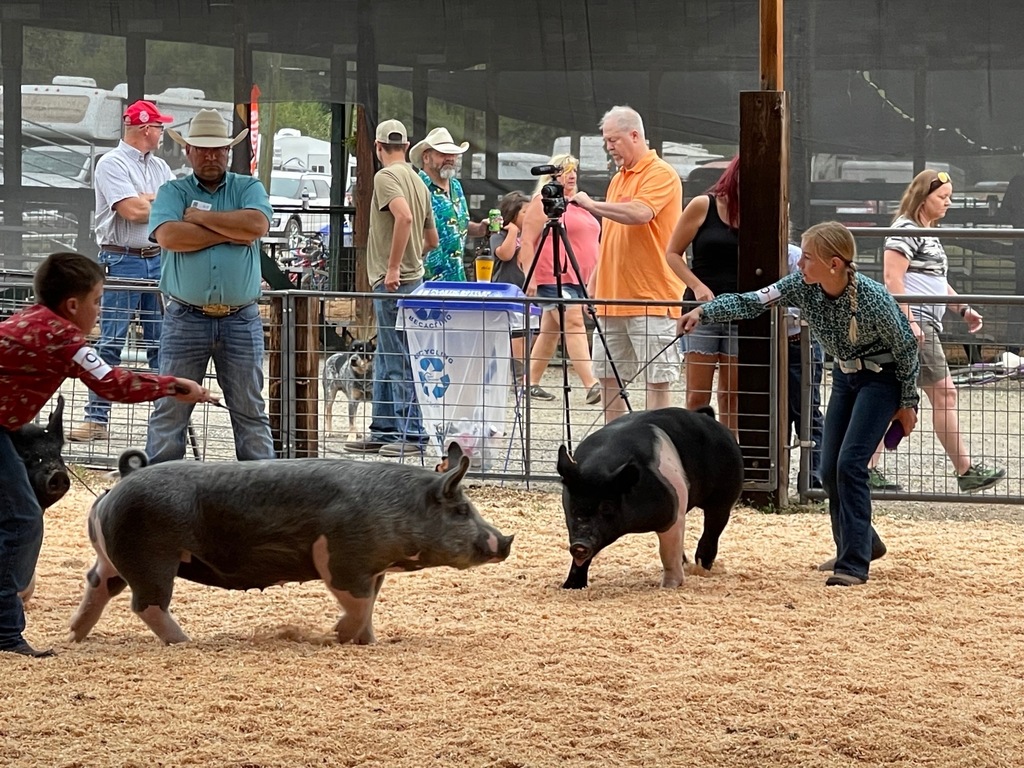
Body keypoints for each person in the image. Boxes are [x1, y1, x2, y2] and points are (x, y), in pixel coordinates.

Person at [678, 222, 920, 586]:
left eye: (807, 257)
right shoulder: (801, 287)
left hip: (880, 378)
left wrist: (907, 402)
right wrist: (704, 313)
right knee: (827, 468)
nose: (801, 264)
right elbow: (751, 300)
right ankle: (861, 542)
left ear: (834, 264)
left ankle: (853, 564)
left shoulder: (873, 298)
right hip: (845, 376)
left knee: (851, 463)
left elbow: (905, 348)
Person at [0, 252, 211, 657]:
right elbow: (112, 383)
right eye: (97, 301)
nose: (101, 310)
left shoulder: (31, 320)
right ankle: (5, 632)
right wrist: (171, 385)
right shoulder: (64, 338)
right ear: (73, 306)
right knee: (22, 518)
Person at [145, 109, 276, 464]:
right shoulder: (172, 190)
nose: (211, 155)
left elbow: (257, 225)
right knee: (170, 409)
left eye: (218, 148)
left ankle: (265, 498)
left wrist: (200, 218)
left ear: (228, 151)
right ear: (188, 151)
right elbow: (170, 236)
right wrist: (233, 231)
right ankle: (158, 496)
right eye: (202, 149)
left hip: (240, 318)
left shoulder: (249, 186)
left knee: (250, 410)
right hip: (186, 316)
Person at [868, 169, 1006, 493]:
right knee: (945, 393)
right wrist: (910, 321)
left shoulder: (927, 232)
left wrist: (962, 308)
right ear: (922, 197)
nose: (948, 203)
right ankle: (965, 470)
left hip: (923, 322)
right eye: (942, 197)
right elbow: (892, 278)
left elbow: (935, 280)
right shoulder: (905, 229)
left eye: (949, 197)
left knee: (893, 398)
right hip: (914, 323)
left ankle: (864, 467)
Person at [68, 100, 176, 443]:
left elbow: (176, 205)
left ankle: (164, 422)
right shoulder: (110, 163)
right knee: (112, 341)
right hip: (123, 259)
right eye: (158, 127)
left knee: (160, 343)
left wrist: (149, 200)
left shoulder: (157, 166)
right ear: (145, 128)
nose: (161, 133)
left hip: (153, 257)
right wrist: (155, 202)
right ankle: (96, 419)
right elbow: (132, 211)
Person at [571, 106, 684, 422]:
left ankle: (656, 450)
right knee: (609, 380)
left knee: (657, 381)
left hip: (651, 297)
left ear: (635, 135)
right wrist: (593, 283)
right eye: (606, 141)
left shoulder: (660, 173)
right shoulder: (618, 179)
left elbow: (640, 213)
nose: (609, 147)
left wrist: (592, 205)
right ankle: (614, 451)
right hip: (611, 299)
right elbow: (610, 238)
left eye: (613, 140)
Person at [343, 119, 438, 457]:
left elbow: (404, 218)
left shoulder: (385, 177)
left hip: (392, 280)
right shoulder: (419, 181)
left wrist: (395, 265)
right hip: (413, 279)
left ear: (378, 147)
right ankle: (384, 428)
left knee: (397, 355)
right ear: (407, 145)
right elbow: (432, 239)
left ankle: (411, 433)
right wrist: (412, 259)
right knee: (387, 353)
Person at [665, 155, 740, 437]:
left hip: (740, 309)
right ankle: (696, 452)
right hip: (702, 307)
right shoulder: (703, 204)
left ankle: (731, 455)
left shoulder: (759, 210)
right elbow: (673, 253)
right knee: (697, 395)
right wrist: (696, 286)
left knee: (732, 394)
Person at [519, 154, 601, 404]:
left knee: (550, 330)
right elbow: (528, 241)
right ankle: (592, 383)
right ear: (553, 175)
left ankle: (529, 382)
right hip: (551, 276)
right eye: (565, 170)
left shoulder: (579, 202)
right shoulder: (541, 202)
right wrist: (530, 277)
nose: (571, 174)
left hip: (579, 277)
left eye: (574, 169)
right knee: (573, 322)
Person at [410, 127, 488, 282]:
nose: (450, 158)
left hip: (456, 279)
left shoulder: (456, 186)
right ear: (426, 157)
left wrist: (479, 229)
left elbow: (456, 225)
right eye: (442, 154)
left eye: (452, 154)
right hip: (424, 282)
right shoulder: (417, 186)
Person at [786, 242, 825, 490]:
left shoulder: (793, 257)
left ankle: (813, 477)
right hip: (775, 343)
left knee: (807, 409)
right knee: (777, 411)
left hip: (801, 342)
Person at [489, 190, 532, 389]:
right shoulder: (500, 235)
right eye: (525, 212)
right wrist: (513, 231)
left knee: (526, 334)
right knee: (515, 335)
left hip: (525, 291)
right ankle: (517, 376)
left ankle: (523, 375)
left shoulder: (531, 236)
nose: (529, 216)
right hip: (506, 290)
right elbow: (505, 255)